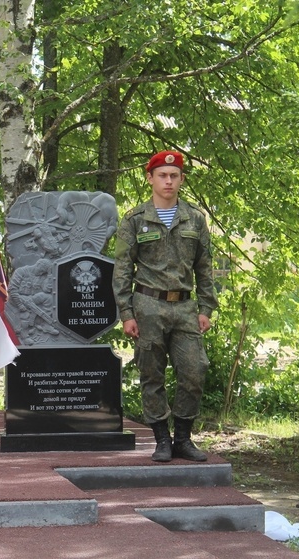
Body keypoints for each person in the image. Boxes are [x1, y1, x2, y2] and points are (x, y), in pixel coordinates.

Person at [112, 150, 218, 462]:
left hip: (185, 308)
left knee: (194, 371)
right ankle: (161, 439)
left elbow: (204, 268)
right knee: (151, 373)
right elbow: (121, 270)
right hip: (148, 306)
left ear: (182, 180)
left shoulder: (195, 219)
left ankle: (183, 439)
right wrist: (126, 313)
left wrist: (206, 308)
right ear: (150, 178)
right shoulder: (133, 220)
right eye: (162, 175)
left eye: (174, 176)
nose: (168, 181)